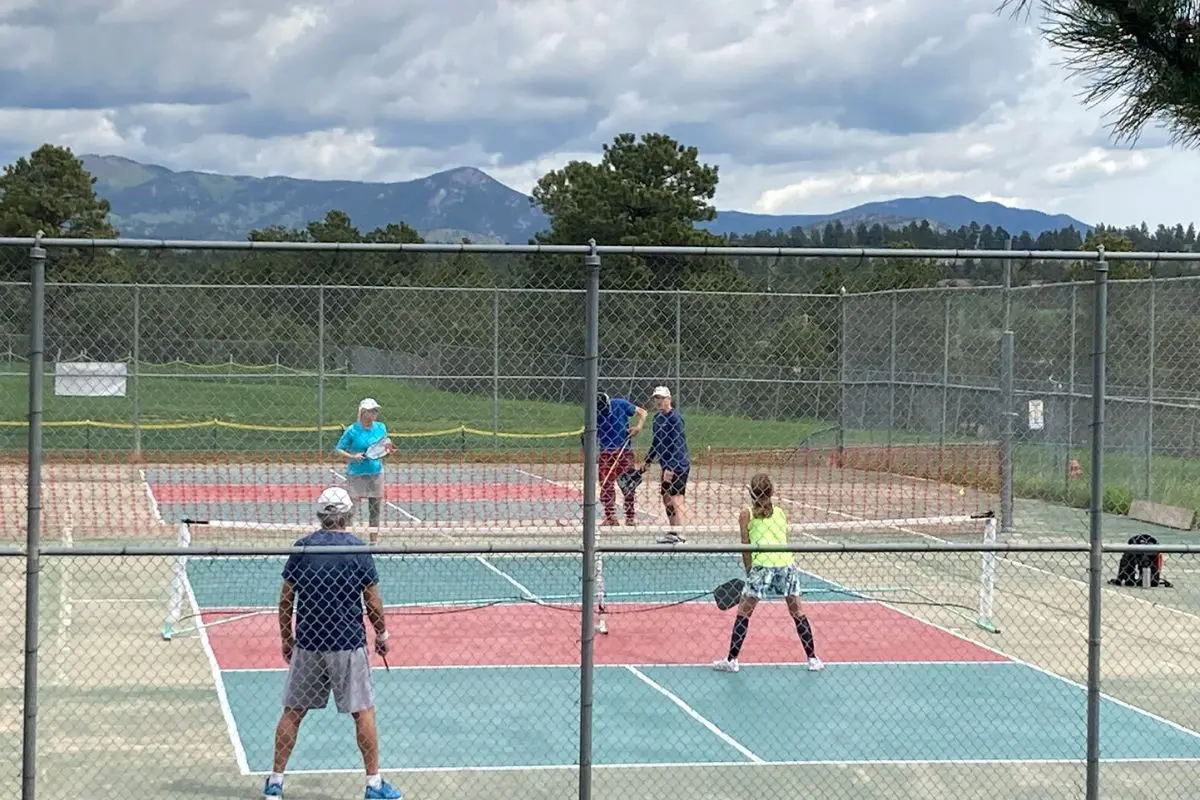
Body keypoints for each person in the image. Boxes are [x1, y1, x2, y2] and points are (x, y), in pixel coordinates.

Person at [263, 486, 403, 799]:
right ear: (348, 515)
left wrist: (288, 638)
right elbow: (373, 602)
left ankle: (275, 782)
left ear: (320, 515)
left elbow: (286, 600)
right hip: (347, 644)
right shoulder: (357, 550)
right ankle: (374, 784)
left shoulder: (302, 548)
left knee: (293, 711)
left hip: (309, 643)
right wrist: (381, 634)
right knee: (363, 711)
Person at [712, 473, 824, 674]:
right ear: (771, 492)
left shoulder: (746, 514)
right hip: (786, 565)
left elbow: (745, 546)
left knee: (744, 613)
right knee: (797, 612)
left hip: (762, 565)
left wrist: (749, 572)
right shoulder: (780, 512)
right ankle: (813, 659)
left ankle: (732, 660)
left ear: (751, 493)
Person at [334, 398, 388, 543]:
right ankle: (347, 540)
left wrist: (385, 450)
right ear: (363, 412)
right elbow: (338, 449)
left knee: (375, 510)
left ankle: (373, 542)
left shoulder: (381, 427)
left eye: (376, 411)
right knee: (351, 510)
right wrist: (353, 456)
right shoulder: (352, 430)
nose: (374, 414)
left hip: (376, 473)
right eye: (371, 411)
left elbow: (385, 444)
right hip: (356, 474)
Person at [642, 386, 690, 544]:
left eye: (662, 398)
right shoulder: (657, 419)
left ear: (669, 399)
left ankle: (682, 534)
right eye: (657, 398)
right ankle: (673, 531)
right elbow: (656, 442)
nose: (659, 401)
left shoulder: (675, 418)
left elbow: (677, 444)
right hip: (666, 466)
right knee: (666, 498)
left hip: (679, 465)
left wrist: (671, 467)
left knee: (677, 499)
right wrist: (648, 460)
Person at [596, 390, 647, 526]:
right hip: (606, 452)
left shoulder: (620, 404)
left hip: (624, 450)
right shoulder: (594, 414)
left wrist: (638, 427)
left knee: (628, 484)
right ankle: (610, 516)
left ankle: (630, 517)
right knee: (606, 485)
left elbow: (642, 412)